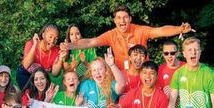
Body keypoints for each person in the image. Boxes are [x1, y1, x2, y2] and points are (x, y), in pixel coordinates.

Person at [61, 5, 195, 71]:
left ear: (130, 19)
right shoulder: (111, 34)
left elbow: (160, 30)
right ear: (114, 21)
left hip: (143, 74)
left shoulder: (140, 30)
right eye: (118, 18)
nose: (122, 20)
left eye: (125, 17)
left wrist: (179, 29)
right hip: (123, 77)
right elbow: (91, 41)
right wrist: (70, 46)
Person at [16, 24, 67, 89]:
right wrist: (35, 45)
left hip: (42, 77)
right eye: (50, 37)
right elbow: (26, 65)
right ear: (43, 35)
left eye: (56, 39)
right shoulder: (31, 43)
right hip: (26, 74)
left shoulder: (56, 50)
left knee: (46, 96)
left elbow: (55, 74)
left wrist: (61, 58)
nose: (52, 41)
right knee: (30, 94)